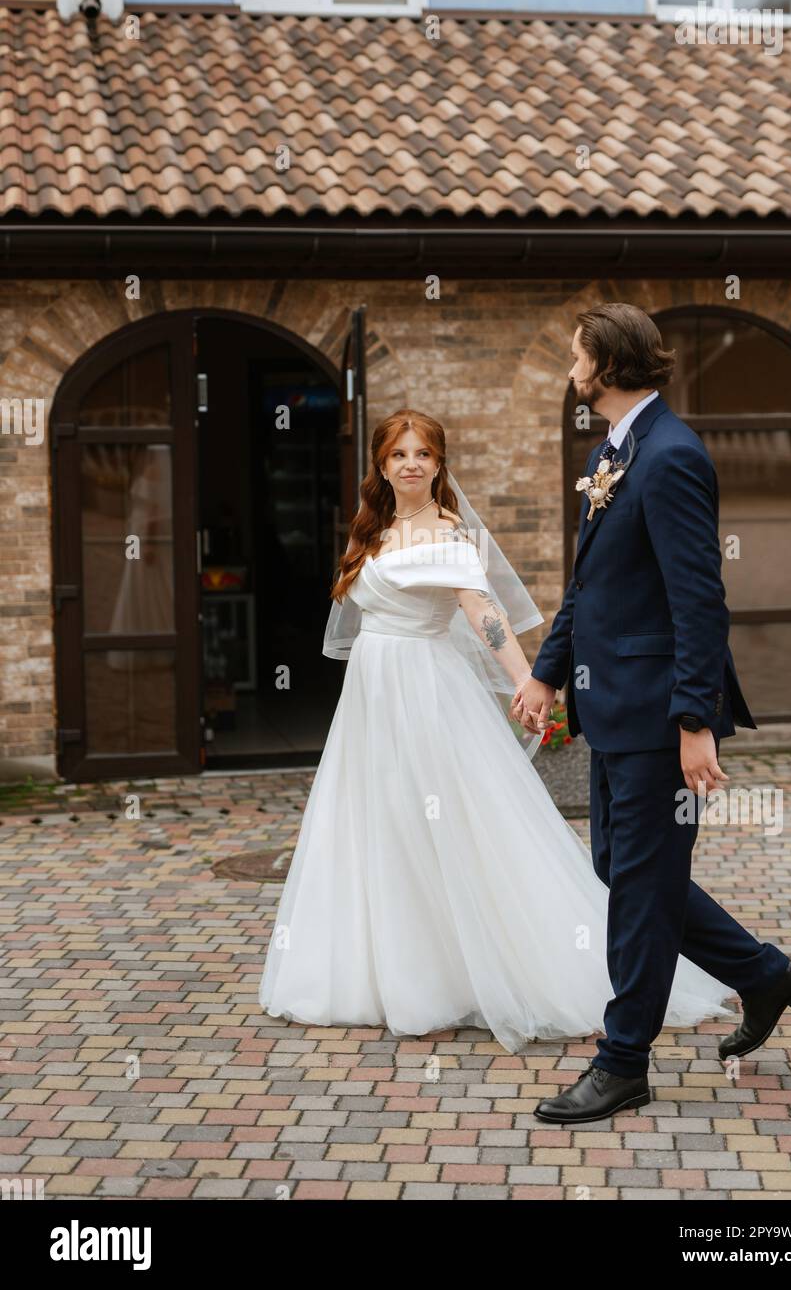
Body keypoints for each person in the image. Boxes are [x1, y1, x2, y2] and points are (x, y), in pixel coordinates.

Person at [258, 405, 738, 1071]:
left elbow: (484, 615)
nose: (410, 464)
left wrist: (527, 684)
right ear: (380, 464)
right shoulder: (375, 529)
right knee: (379, 824)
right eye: (398, 454)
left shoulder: (449, 536)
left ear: (438, 463)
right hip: (371, 696)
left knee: (443, 826)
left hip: (424, 693)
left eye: (423, 453)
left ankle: (466, 978)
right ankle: (383, 969)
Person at [513, 303, 791, 1125]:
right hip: (606, 703)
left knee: (638, 891)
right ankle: (763, 975)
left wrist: (694, 720)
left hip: (654, 717)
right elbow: (588, 587)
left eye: (576, 355)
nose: (570, 369)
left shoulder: (673, 456)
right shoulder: (611, 450)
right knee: (626, 873)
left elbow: (698, 600)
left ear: (605, 365)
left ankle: (622, 1063)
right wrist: (546, 673)